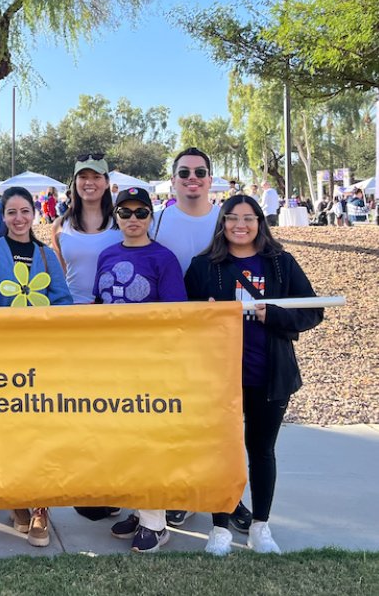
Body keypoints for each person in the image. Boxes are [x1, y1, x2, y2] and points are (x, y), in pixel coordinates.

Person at [185, 194, 323, 556]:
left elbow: (312, 312)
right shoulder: (203, 267)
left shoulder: (281, 264)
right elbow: (182, 322)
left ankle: (260, 525)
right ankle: (219, 526)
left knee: (261, 451)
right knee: (221, 452)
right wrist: (206, 316)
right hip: (220, 378)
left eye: (248, 218)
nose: (240, 225)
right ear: (222, 223)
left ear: (260, 222)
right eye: (232, 218)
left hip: (269, 374)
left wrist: (272, 315)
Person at [151, 148, 251, 532]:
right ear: (173, 179)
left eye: (200, 172)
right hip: (173, 334)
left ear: (211, 178)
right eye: (184, 172)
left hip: (220, 336)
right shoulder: (158, 220)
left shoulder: (224, 221)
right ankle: (184, 493)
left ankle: (229, 496)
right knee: (178, 418)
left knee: (223, 421)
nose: (192, 178)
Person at [0, 186, 72, 546]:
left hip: (40, 358)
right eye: (11, 212)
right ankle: (16, 498)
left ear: (34, 215)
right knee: (9, 431)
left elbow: (62, 301)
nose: (18, 219)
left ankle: (40, 508)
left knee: (40, 432)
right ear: (3, 216)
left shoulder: (46, 256)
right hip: (2, 360)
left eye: (24, 212)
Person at [92, 188, 187, 554]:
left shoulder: (163, 258)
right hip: (114, 363)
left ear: (151, 216)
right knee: (124, 440)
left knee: (150, 440)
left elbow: (175, 315)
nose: (133, 218)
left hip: (150, 364)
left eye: (141, 212)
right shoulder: (107, 254)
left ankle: (155, 522)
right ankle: (141, 506)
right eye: (125, 212)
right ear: (116, 215)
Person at [57, 154, 123, 305]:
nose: (89, 182)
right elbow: (62, 273)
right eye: (83, 176)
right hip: (74, 312)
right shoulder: (60, 225)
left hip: (114, 312)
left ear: (107, 182)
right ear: (75, 182)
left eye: (96, 177)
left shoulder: (121, 224)